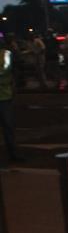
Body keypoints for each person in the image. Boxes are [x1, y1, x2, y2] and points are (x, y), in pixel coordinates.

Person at [0, 33, 24, 163]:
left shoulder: (6, 54)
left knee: (8, 127)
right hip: (5, 95)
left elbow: (5, 69)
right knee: (8, 127)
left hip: (4, 96)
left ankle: (13, 154)